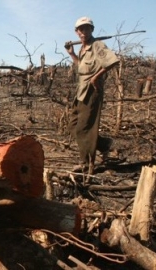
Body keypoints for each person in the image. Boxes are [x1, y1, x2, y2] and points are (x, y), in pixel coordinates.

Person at [64, 16, 119, 175]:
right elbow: (81, 67)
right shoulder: (83, 48)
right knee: (73, 126)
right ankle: (103, 144)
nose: (84, 32)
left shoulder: (97, 45)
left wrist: (96, 77)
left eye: (87, 28)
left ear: (91, 30)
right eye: (81, 29)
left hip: (92, 92)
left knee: (84, 128)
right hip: (81, 93)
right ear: (76, 32)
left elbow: (113, 61)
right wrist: (72, 54)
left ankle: (86, 164)